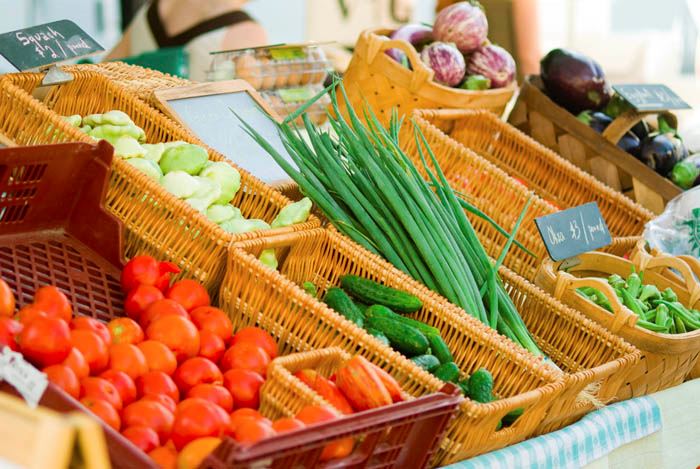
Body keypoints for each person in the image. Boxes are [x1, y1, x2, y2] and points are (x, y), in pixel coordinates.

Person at [105, 0, 268, 81]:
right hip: (187, 144)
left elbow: (101, 70)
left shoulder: (156, 6)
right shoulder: (248, 34)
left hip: (126, 135)